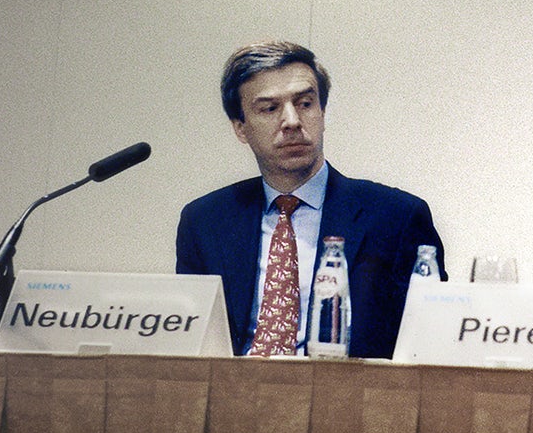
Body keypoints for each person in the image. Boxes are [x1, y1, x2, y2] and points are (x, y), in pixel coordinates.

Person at [177, 41, 445, 358]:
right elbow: (192, 343)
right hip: (234, 395)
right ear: (241, 129)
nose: (291, 121)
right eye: (269, 108)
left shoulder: (396, 218)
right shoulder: (205, 221)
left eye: (305, 103)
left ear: (322, 112)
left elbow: (430, 344)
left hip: (348, 399)